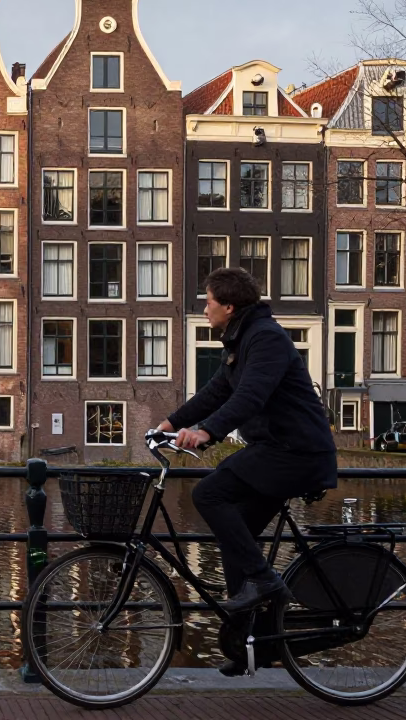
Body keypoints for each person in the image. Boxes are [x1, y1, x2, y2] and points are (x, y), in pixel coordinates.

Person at [156, 267, 337, 672]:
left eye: (208, 302)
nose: (204, 309)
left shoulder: (266, 338)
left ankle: (267, 582)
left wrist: (207, 432)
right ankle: (249, 643)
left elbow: (251, 396)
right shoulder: (243, 338)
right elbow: (217, 391)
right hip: (277, 450)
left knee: (208, 494)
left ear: (229, 306)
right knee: (238, 534)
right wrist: (166, 425)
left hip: (296, 452)